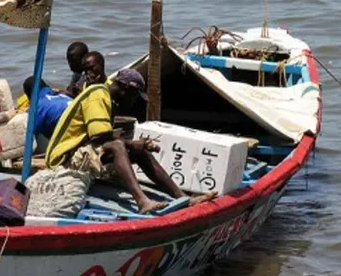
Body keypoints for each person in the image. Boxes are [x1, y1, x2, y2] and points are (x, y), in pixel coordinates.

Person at [45, 51, 217, 214]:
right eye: (134, 96)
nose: (134, 101)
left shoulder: (106, 96)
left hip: (82, 151)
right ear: (125, 88)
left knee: (139, 152)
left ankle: (183, 198)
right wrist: (133, 143)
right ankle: (142, 201)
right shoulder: (98, 94)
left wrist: (139, 147)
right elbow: (100, 137)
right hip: (63, 159)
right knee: (117, 145)